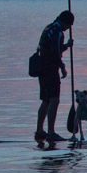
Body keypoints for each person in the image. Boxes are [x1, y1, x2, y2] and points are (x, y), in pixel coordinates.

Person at [35, 10, 74, 144]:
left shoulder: (48, 28)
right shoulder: (58, 32)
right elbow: (55, 52)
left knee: (46, 100)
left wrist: (66, 46)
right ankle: (51, 132)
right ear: (66, 23)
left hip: (41, 68)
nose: (67, 29)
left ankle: (39, 131)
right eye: (68, 27)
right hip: (50, 69)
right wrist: (62, 67)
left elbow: (52, 48)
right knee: (54, 99)